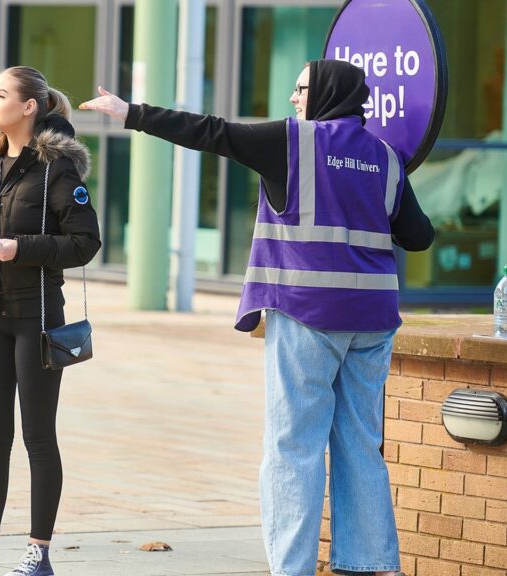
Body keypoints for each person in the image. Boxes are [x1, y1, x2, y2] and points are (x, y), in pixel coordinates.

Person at [80, 59, 434, 576]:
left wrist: (129, 112)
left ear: (326, 93)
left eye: (301, 87)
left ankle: (291, 568)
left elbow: (211, 133)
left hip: (309, 313)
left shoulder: (293, 142)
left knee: (294, 445)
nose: (293, 98)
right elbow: (419, 237)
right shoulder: (386, 157)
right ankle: (369, 564)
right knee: (361, 443)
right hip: (372, 321)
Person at [0, 66, 100, 576]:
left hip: (37, 317)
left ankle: (39, 552)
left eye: (1, 95)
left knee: (38, 435)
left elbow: (84, 243)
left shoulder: (57, 170)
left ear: (29, 106)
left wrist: (20, 249)